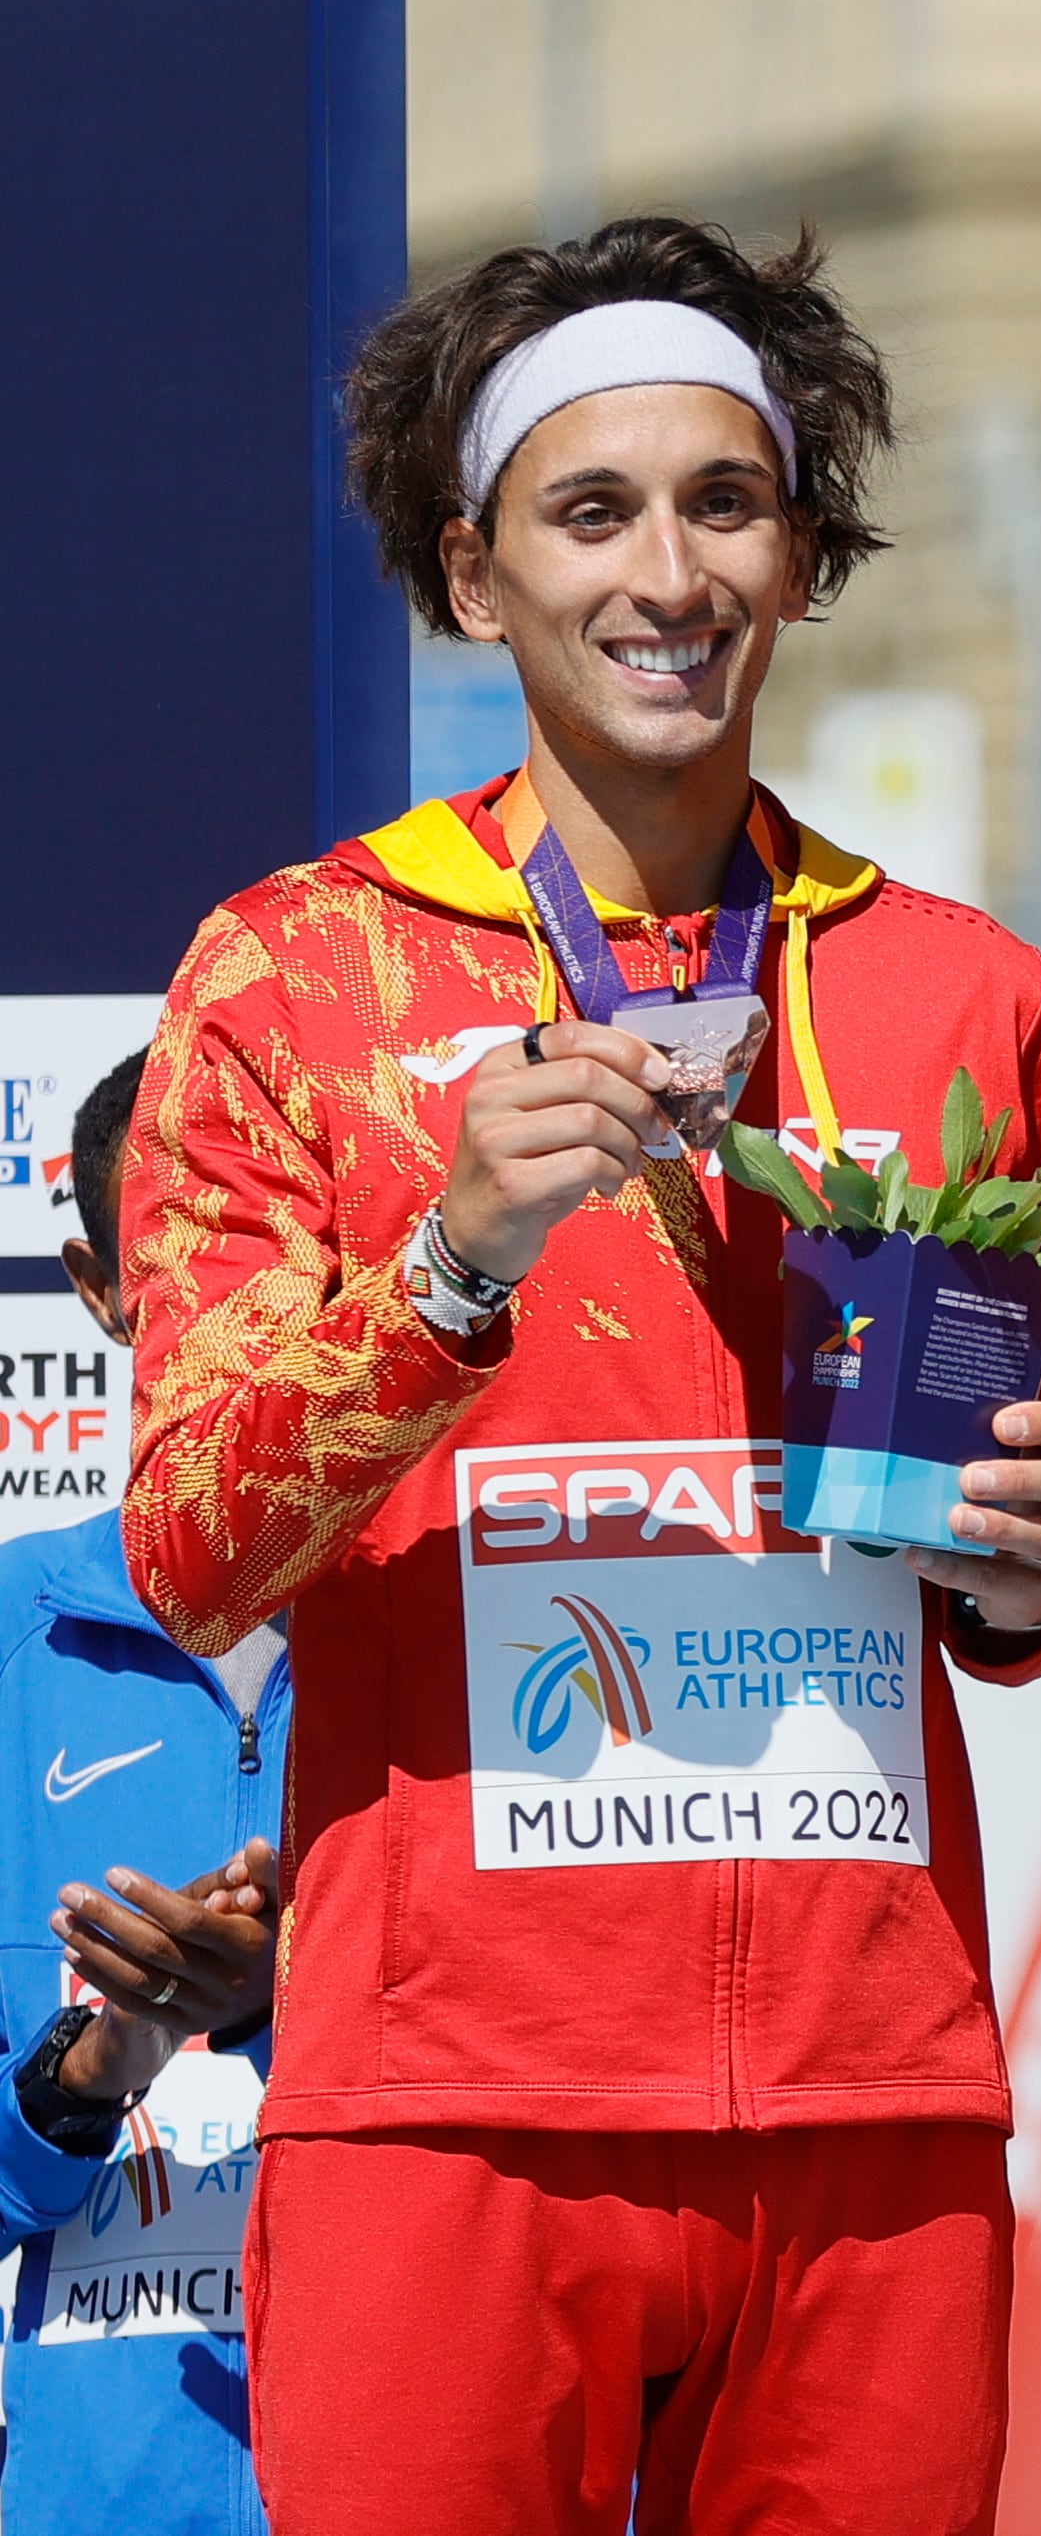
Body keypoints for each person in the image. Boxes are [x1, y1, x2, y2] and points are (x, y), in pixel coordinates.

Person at [120, 216, 1041, 2535]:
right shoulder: (293, 970)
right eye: (592, 512)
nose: (667, 570)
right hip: (451, 2097)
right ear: (475, 578)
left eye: (724, 503)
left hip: (871, 2108)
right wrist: (452, 1263)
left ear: (799, 552)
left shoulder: (958, 985)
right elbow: (192, 1544)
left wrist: (1024, 1566)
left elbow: (1013, 1591)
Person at [0, 1049, 285, 2536]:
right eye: (185, 1268)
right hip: (107, 2495)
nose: (243, 1322)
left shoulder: (463, 1626)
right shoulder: (11, 1634)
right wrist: (89, 2074)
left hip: (449, 2460)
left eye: (290, 1263)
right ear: (99, 1288)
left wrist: (310, 1995)